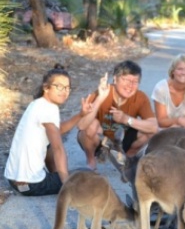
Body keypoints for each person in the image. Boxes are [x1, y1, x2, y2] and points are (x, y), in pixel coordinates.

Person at [5, 65, 94, 195]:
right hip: (32, 185)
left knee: (49, 144)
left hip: (13, 180)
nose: (64, 91)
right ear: (46, 87)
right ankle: (60, 182)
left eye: (67, 87)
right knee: (88, 176)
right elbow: (58, 148)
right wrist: (66, 183)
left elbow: (59, 129)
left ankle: (55, 176)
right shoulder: (49, 109)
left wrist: (81, 115)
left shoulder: (37, 104)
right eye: (59, 86)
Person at [77, 60, 158, 169]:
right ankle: (91, 159)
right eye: (126, 80)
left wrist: (126, 119)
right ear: (115, 79)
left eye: (135, 81)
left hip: (122, 140)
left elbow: (154, 127)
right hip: (100, 139)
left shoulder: (140, 97)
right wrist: (100, 98)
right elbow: (81, 125)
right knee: (91, 125)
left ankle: (128, 158)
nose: (130, 85)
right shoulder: (102, 91)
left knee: (149, 132)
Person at [151, 53, 185, 130]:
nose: (183, 72)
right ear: (173, 71)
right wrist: (178, 120)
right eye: (180, 69)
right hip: (163, 129)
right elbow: (161, 122)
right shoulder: (161, 88)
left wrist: (178, 124)